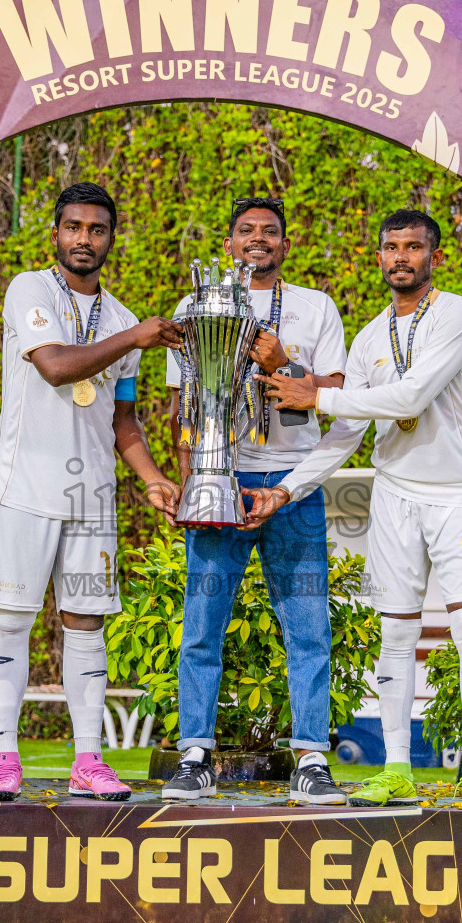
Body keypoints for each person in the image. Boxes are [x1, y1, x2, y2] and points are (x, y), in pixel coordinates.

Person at [251, 208, 462, 810]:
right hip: (394, 495)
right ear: (379, 257)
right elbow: (343, 434)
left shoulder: (457, 315)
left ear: (434, 258)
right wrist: (286, 489)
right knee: (395, 632)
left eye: (413, 247)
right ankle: (395, 770)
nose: (401, 257)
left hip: (457, 496)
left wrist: (319, 391)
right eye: (391, 247)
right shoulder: (369, 338)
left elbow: (413, 394)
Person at [0, 181, 183, 802]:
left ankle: (88, 761)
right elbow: (56, 365)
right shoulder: (29, 290)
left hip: (92, 498)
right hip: (24, 488)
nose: (84, 240)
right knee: (12, 621)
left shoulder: (123, 321)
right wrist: (133, 339)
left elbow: (124, 420)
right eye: (74, 228)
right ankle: (4, 756)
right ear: (56, 233)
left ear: (110, 239)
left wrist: (151, 479)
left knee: (87, 625)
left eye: (97, 230)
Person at [159, 197, 350, 805]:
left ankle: (312, 758)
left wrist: (286, 363)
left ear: (284, 245)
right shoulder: (194, 307)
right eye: (246, 231)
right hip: (222, 473)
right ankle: (195, 756)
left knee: (307, 624)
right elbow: (180, 404)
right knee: (202, 624)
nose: (258, 240)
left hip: (292, 480)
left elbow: (340, 394)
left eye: (270, 232)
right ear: (228, 244)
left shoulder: (315, 307)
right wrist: (190, 481)